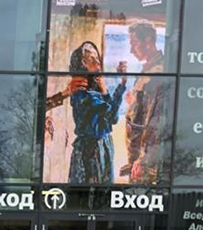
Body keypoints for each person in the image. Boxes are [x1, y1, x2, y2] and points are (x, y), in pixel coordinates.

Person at [66, 41, 127, 184]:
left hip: (104, 146)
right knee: (91, 190)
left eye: (97, 58)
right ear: (83, 64)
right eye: (92, 59)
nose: (98, 62)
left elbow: (113, 118)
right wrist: (113, 88)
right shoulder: (81, 92)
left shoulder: (96, 91)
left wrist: (120, 84)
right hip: (90, 149)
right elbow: (111, 114)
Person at [124, 22, 168, 184]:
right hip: (138, 157)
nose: (131, 50)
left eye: (134, 44)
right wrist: (134, 102)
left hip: (145, 161)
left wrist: (144, 159)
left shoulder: (156, 74)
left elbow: (155, 120)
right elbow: (146, 109)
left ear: (148, 41)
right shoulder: (149, 70)